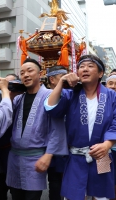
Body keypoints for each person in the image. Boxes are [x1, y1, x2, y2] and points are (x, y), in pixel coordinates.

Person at [45, 54, 116, 200]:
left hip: (102, 155)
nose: (85, 69)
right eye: (81, 67)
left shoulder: (111, 96)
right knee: (74, 196)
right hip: (76, 156)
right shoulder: (70, 93)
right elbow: (51, 108)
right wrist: (61, 82)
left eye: (90, 66)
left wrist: (107, 144)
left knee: (101, 196)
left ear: (100, 73)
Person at [6, 58, 68, 200]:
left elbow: (56, 129)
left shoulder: (49, 96)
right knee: (15, 195)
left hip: (35, 157)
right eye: (22, 73)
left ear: (40, 74)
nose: (25, 75)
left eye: (30, 71)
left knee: (32, 196)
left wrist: (49, 154)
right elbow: (4, 119)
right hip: (14, 157)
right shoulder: (18, 99)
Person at [46, 65, 68, 200]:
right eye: (62, 78)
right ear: (52, 80)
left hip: (70, 145)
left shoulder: (72, 93)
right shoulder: (46, 95)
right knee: (55, 184)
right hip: (52, 146)